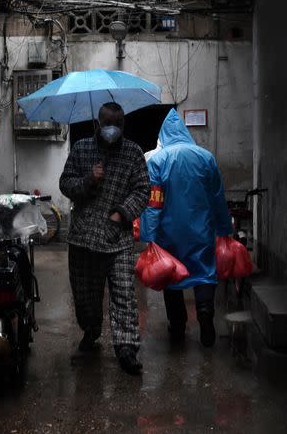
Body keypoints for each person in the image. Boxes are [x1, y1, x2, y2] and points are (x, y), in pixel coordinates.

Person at [59, 102, 150, 374]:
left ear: (123, 126)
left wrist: (122, 214)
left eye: (118, 124)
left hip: (117, 239)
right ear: (98, 124)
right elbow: (65, 183)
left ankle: (126, 347)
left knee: (124, 294)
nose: (113, 129)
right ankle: (91, 330)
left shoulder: (133, 154)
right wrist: (88, 180)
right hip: (83, 239)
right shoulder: (81, 149)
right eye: (108, 123)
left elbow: (143, 190)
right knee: (85, 297)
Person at [140, 109, 233, 347]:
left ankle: (178, 326)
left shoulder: (158, 162)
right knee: (204, 272)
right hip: (201, 230)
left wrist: (148, 235)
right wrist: (224, 228)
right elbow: (217, 196)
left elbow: (154, 202)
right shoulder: (205, 157)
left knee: (171, 276)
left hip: (169, 232)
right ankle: (204, 313)